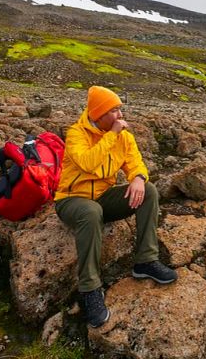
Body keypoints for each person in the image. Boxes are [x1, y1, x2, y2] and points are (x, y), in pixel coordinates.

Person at [55, 85, 177, 328]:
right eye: (114, 110)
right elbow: (88, 163)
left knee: (150, 192)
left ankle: (145, 261)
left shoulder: (125, 137)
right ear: (98, 114)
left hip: (101, 197)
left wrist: (139, 178)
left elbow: (136, 163)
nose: (120, 115)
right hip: (71, 200)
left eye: (120, 109)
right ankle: (90, 289)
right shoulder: (76, 134)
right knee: (91, 212)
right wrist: (111, 135)